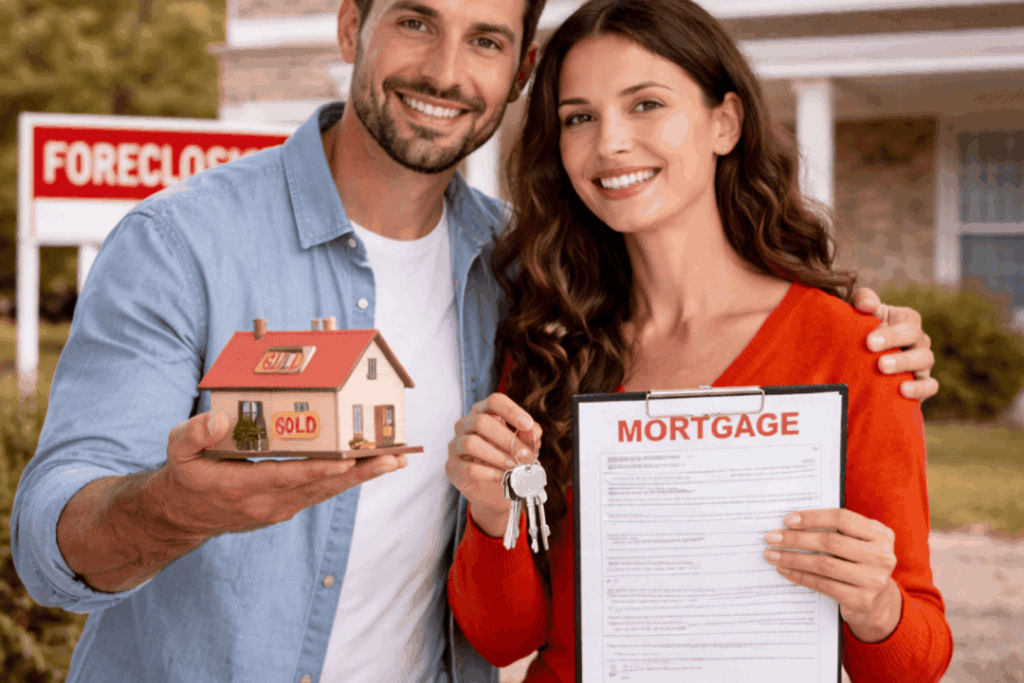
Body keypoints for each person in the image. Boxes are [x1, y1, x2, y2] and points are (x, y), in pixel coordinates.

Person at [11, 0, 933, 681]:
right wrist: (180, 504)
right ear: (351, 27)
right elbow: (51, 544)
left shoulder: (525, 286)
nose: (445, 70)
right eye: (415, 21)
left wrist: (846, 324)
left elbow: (504, 624)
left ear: (517, 69)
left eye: (485, 40)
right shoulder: (182, 243)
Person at [446, 1, 952, 682]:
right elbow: (502, 639)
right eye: (578, 117)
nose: (610, 143)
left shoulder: (855, 349)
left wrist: (874, 602)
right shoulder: (548, 344)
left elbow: (914, 664)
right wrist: (490, 510)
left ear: (725, 122)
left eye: (646, 104)